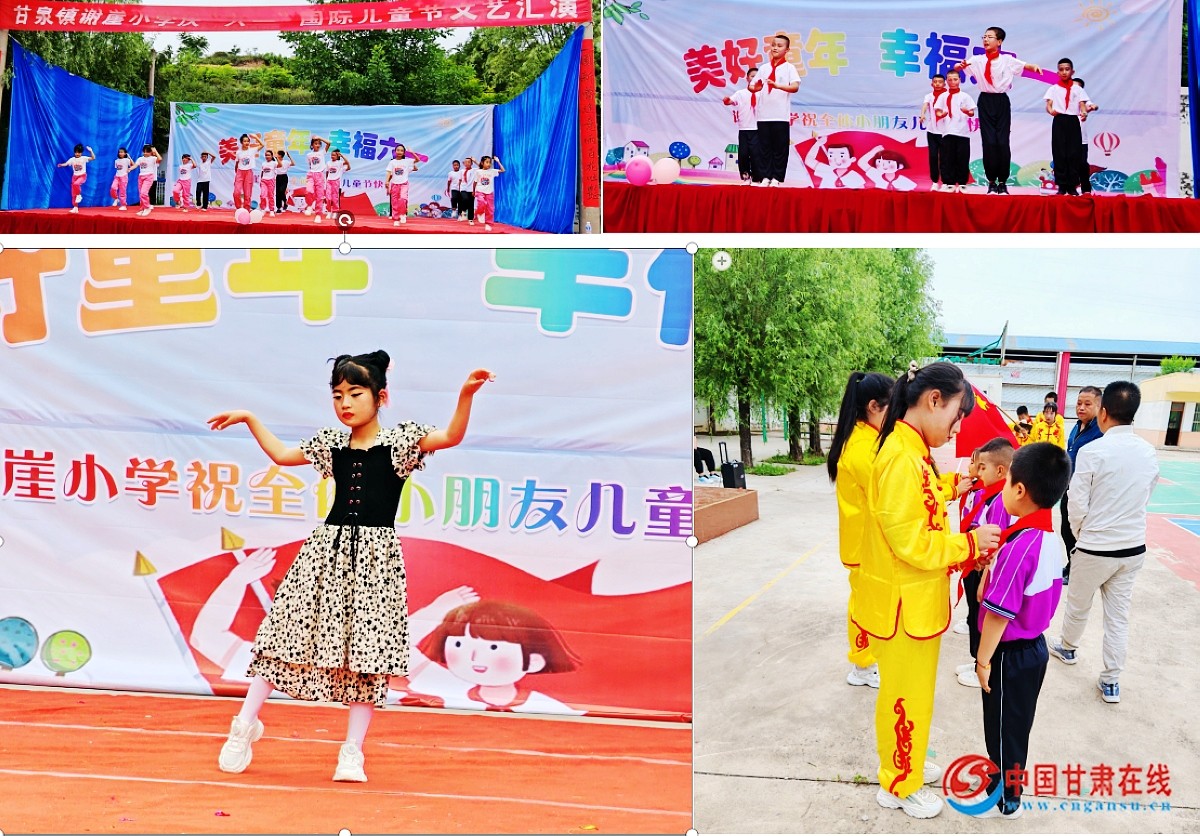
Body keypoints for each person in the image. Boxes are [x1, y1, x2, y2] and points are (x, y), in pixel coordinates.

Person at [206, 351, 494, 782]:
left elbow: (450, 436)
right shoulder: (331, 445)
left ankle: (352, 752)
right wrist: (249, 418)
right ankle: (243, 726)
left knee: (368, 650)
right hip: (325, 553)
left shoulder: (401, 444)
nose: (345, 403)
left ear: (381, 397)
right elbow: (282, 455)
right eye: (337, 395)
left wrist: (466, 394)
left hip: (377, 562)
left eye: (355, 393)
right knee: (284, 634)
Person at [854, 361, 1002, 820]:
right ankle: (899, 783)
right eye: (957, 417)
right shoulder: (901, 455)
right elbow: (911, 542)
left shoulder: (909, 448)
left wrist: (954, 489)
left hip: (913, 603)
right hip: (904, 607)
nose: (957, 429)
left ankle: (910, 763)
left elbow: (922, 504)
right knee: (905, 696)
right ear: (934, 400)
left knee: (914, 695)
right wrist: (968, 544)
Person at [973, 441, 1072, 818]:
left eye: (1006, 480)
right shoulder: (1047, 537)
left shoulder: (1020, 546)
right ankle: (1006, 783)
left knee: (1002, 728)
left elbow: (998, 616)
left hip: (1009, 655)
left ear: (1018, 489)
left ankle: (1006, 795)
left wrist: (983, 660)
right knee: (1016, 724)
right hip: (1034, 648)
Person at [1051, 381, 1159, 705]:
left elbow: (1076, 503)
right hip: (1132, 549)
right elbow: (1147, 493)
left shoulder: (1092, 451)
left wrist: (1082, 534)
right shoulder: (1148, 451)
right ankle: (1111, 680)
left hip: (1095, 547)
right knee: (1118, 616)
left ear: (1104, 412)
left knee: (1078, 605)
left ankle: (1068, 647)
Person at [827, 371, 894, 690]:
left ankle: (869, 659)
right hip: (866, 544)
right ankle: (863, 666)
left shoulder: (864, 439)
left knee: (869, 602)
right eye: (892, 408)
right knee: (864, 606)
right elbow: (890, 494)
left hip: (865, 541)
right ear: (873, 407)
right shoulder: (862, 448)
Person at [956, 437, 1015, 689]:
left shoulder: (999, 499)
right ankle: (975, 660)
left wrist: (984, 572)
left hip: (983, 567)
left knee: (981, 618)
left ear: (1000, 470)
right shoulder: (986, 493)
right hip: (974, 561)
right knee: (973, 614)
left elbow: (996, 541)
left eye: (982, 467)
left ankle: (982, 664)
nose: (978, 472)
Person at [955, 27, 1043, 194]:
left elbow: (1024, 65)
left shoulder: (1007, 60)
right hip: (985, 101)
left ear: (999, 41)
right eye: (984, 37)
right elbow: (960, 67)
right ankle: (991, 182)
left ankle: (1002, 182)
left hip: (1001, 101)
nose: (985, 40)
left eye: (990, 37)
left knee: (1002, 142)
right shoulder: (977, 60)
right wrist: (958, 66)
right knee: (989, 143)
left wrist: (1034, 67)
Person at [1062, 385, 1104, 581]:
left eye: (1087, 404)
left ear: (1099, 407)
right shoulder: (1076, 426)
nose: (1081, 407)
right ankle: (1071, 564)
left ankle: (1076, 571)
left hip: (1085, 493)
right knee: (1065, 530)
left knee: (1078, 533)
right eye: (1079, 403)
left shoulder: (1100, 432)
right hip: (1068, 487)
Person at [749, 34, 801, 187]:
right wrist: (755, 88)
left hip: (780, 116)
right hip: (763, 115)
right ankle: (765, 177)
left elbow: (795, 87)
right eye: (773, 45)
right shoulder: (764, 68)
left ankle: (777, 178)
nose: (775, 48)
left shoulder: (789, 68)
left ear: (787, 50)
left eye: (779, 46)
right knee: (764, 148)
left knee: (780, 148)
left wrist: (778, 86)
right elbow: (752, 86)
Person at [1043, 58, 1091, 196]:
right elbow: (1048, 105)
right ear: (1058, 72)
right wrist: (1051, 111)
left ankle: (1072, 186)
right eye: (1061, 69)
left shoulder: (1077, 89)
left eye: (1067, 69)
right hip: (1059, 121)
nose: (1064, 72)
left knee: (1073, 154)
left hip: (1073, 121)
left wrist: (1083, 113)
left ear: (1072, 71)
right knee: (1059, 153)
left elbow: (1082, 104)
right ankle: (1062, 186)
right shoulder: (1053, 89)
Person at [936, 70, 976, 193]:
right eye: (950, 80)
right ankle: (949, 183)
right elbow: (937, 111)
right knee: (947, 158)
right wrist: (941, 114)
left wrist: (967, 111)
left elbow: (972, 112)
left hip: (963, 132)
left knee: (962, 158)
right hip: (947, 131)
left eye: (955, 79)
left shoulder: (965, 96)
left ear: (960, 80)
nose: (953, 82)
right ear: (946, 81)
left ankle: (962, 183)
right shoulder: (943, 96)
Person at [721, 68, 760, 184]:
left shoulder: (763, 94)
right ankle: (746, 176)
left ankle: (756, 178)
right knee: (743, 154)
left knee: (756, 155)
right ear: (747, 78)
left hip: (758, 129)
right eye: (752, 76)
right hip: (744, 129)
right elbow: (729, 101)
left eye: (757, 76)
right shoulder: (740, 93)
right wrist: (726, 100)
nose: (754, 78)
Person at [920, 74, 948, 191]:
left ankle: (946, 182)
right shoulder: (929, 96)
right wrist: (922, 114)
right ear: (932, 84)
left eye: (940, 82)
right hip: (932, 131)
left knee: (945, 157)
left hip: (945, 131)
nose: (937, 84)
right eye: (935, 82)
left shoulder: (948, 96)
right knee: (933, 156)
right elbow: (925, 105)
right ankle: (935, 182)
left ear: (944, 84)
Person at [1073, 78, 1100, 195]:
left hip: (1081, 141)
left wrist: (1093, 107)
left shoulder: (1083, 101)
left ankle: (1086, 190)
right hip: (1066, 140)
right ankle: (1069, 189)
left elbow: (1092, 105)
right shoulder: (1064, 100)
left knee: (1082, 164)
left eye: (1077, 87)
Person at [385, 144, 418, 227]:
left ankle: (403, 214)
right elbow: (389, 172)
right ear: (395, 151)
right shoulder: (392, 162)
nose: (399, 152)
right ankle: (396, 219)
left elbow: (418, 160)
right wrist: (387, 181)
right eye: (398, 150)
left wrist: (412, 152)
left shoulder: (407, 161)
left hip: (404, 184)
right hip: (394, 185)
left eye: (401, 150)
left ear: (404, 153)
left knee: (403, 199)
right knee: (394, 203)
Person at [57, 143, 95, 213]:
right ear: (74, 152)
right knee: (73, 194)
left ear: (81, 153)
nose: (77, 154)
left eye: (79, 152)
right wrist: (61, 165)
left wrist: (91, 151)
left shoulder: (83, 158)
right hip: (74, 177)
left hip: (82, 176)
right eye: (76, 152)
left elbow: (93, 158)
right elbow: (66, 164)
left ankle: (79, 195)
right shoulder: (72, 159)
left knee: (76, 184)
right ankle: (75, 208)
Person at [471, 155, 504, 231]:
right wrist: (473, 191)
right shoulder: (478, 172)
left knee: (490, 209)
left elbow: (503, 170)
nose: (489, 164)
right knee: (481, 202)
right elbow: (475, 182)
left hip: (489, 192)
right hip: (480, 191)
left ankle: (488, 224)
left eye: (490, 162)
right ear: (482, 163)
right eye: (487, 162)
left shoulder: (492, 171)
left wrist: (498, 161)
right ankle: (480, 213)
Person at [303, 135, 331, 222]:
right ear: (312, 145)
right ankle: (309, 206)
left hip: (320, 175)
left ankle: (318, 215)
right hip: (311, 174)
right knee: (309, 191)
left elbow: (329, 143)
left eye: (319, 144)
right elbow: (310, 165)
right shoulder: (309, 155)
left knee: (319, 196)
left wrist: (320, 138)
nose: (317, 145)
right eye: (315, 143)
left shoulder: (322, 152)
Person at [232, 134, 259, 211]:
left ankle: (246, 209)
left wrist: (256, 137)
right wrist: (237, 173)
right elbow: (237, 163)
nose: (247, 143)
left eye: (248, 141)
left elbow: (262, 145)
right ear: (241, 142)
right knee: (236, 192)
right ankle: (239, 208)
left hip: (248, 172)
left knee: (247, 194)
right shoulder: (238, 152)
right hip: (240, 172)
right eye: (245, 141)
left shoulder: (252, 150)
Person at [134, 144, 162, 217]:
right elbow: (135, 165)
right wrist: (130, 169)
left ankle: (147, 207)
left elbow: (160, 159)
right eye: (144, 151)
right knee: (141, 194)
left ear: (151, 152)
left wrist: (155, 151)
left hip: (149, 176)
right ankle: (142, 208)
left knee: (144, 193)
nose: (145, 153)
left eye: (147, 152)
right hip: (141, 176)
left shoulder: (153, 158)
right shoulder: (140, 159)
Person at [325, 149, 351, 218]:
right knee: (328, 198)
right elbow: (327, 172)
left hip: (336, 182)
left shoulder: (339, 163)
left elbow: (347, 162)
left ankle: (335, 212)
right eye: (331, 155)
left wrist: (341, 155)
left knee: (335, 198)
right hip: (329, 181)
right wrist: (327, 180)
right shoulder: (328, 163)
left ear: (337, 156)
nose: (332, 156)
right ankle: (329, 212)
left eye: (334, 155)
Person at [110, 147, 133, 211]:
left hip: (124, 177)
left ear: (125, 153)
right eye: (119, 152)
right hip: (117, 176)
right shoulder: (116, 161)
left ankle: (123, 205)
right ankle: (116, 198)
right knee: (113, 188)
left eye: (122, 152)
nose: (120, 153)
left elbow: (133, 165)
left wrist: (129, 157)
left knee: (122, 191)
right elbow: (117, 169)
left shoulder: (127, 160)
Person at [259, 150, 279, 217]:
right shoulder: (263, 163)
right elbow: (262, 172)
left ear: (271, 156)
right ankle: (263, 209)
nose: (267, 156)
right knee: (262, 195)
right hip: (264, 181)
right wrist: (261, 180)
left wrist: (277, 158)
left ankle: (272, 210)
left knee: (270, 196)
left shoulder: (274, 163)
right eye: (266, 155)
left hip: (271, 181)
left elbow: (280, 165)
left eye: (269, 155)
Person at [275, 149, 294, 214]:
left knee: (281, 191)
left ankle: (285, 201)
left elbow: (293, 164)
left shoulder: (285, 162)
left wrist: (289, 156)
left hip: (284, 177)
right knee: (278, 193)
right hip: (278, 177)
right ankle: (278, 207)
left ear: (280, 155)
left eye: (277, 154)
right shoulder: (275, 162)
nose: (276, 155)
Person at [458, 157, 477, 222]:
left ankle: (470, 219)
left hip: (471, 189)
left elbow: (481, 167)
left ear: (471, 163)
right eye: (465, 162)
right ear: (464, 163)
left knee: (471, 204)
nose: (467, 163)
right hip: (463, 188)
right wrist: (459, 189)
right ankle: (463, 211)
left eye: (469, 162)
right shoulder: (461, 171)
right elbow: (460, 180)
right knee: (465, 199)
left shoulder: (474, 170)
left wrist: (475, 161)